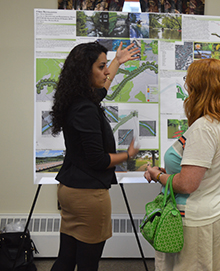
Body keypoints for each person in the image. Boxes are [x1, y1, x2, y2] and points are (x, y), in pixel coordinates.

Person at [144, 58, 220, 271]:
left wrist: (158, 176)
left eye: (189, 81)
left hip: (197, 220)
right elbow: (209, 171)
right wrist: (171, 173)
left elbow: (188, 184)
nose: (187, 87)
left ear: (199, 87)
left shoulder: (204, 127)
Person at [49, 41, 140, 271]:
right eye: (101, 67)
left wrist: (117, 61)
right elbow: (98, 160)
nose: (106, 71)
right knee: (88, 264)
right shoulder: (85, 109)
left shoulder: (76, 100)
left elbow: (102, 90)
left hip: (70, 191)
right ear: (84, 71)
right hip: (88, 197)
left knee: (66, 259)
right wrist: (127, 155)